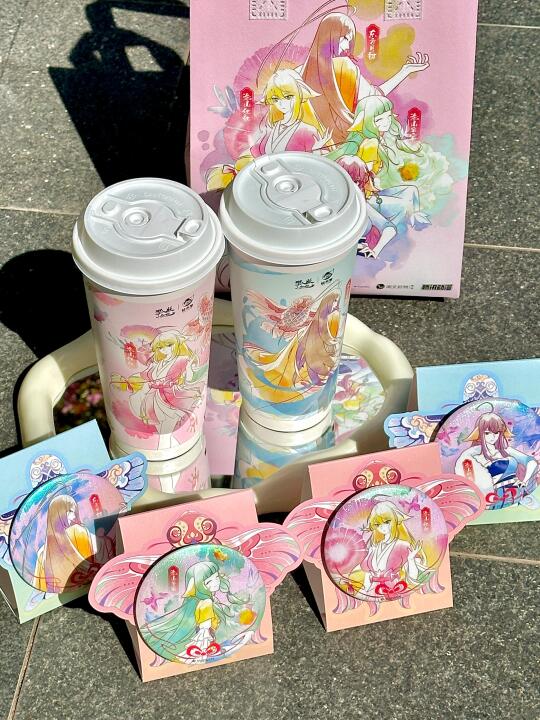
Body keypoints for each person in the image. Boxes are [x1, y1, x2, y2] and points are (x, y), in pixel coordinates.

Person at [299, 11, 429, 145]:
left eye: (349, 41)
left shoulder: (299, 73)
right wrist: (404, 72)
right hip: (342, 141)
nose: (346, 46)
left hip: (319, 144)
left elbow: (373, 96)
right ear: (329, 35)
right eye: (344, 38)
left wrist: (405, 71)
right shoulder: (344, 66)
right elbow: (374, 97)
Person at [333, 95, 429, 257]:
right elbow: (366, 172)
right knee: (403, 206)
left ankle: (415, 219)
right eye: (379, 120)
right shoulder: (371, 143)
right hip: (365, 193)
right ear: (368, 121)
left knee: (411, 190)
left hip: (367, 189)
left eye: (388, 117)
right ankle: (382, 238)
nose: (386, 122)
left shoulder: (377, 139)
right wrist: (371, 182)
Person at [206, 68, 330, 190]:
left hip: (294, 188)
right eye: (276, 99)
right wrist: (237, 168)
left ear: (299, 96)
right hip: (263, 186)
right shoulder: (271, 129)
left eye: (288, 97)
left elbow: (316, 169)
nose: (282, 103)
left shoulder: (307, 131)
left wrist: (316, 152)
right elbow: (255, 152)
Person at [112, 329, 202, 451]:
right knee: (162, 429)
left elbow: (189, 378)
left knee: (166, 429)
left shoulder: (182, 360)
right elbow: (145, 375)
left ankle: (169, 448)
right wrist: (126, 380)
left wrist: (189, 368)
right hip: (154, 397)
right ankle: (171, 447)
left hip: (171, 396)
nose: (165, 350)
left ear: (176, 344)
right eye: (160, 347)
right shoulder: (157, 363)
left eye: (169, 345)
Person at [139, 561, 245, 663]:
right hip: (205, 638)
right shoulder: (206, 602)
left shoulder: (204, 600)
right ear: (198, 585)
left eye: (216, 577)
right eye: (209, 581)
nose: (216, 582)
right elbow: (204, 630)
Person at [455, 412, 539, 509]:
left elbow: (531, 462)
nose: (492, 437)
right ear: (480, 433)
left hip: (518, 493)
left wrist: (524, 481)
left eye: (496, 432)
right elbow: (470, 481)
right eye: (487, 433)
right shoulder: (473, 457)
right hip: (495, 498)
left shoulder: (507, 450)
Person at [345, 500, 426, 595]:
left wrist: (411, 559)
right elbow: (368, 575)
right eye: (378, 524)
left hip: (393, 589)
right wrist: (364, 592)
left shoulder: (402, 546)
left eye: (387, 522)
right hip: (373, 591)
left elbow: (413, 577)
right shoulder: (373, 548)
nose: (382, 527)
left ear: (395, 520)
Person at [34, 495, 95, 593]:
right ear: (58, 513)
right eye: (70, 511)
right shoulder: (77, 531)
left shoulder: (42, 553)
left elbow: (40, 590)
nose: (74, 516)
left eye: (74, 512)